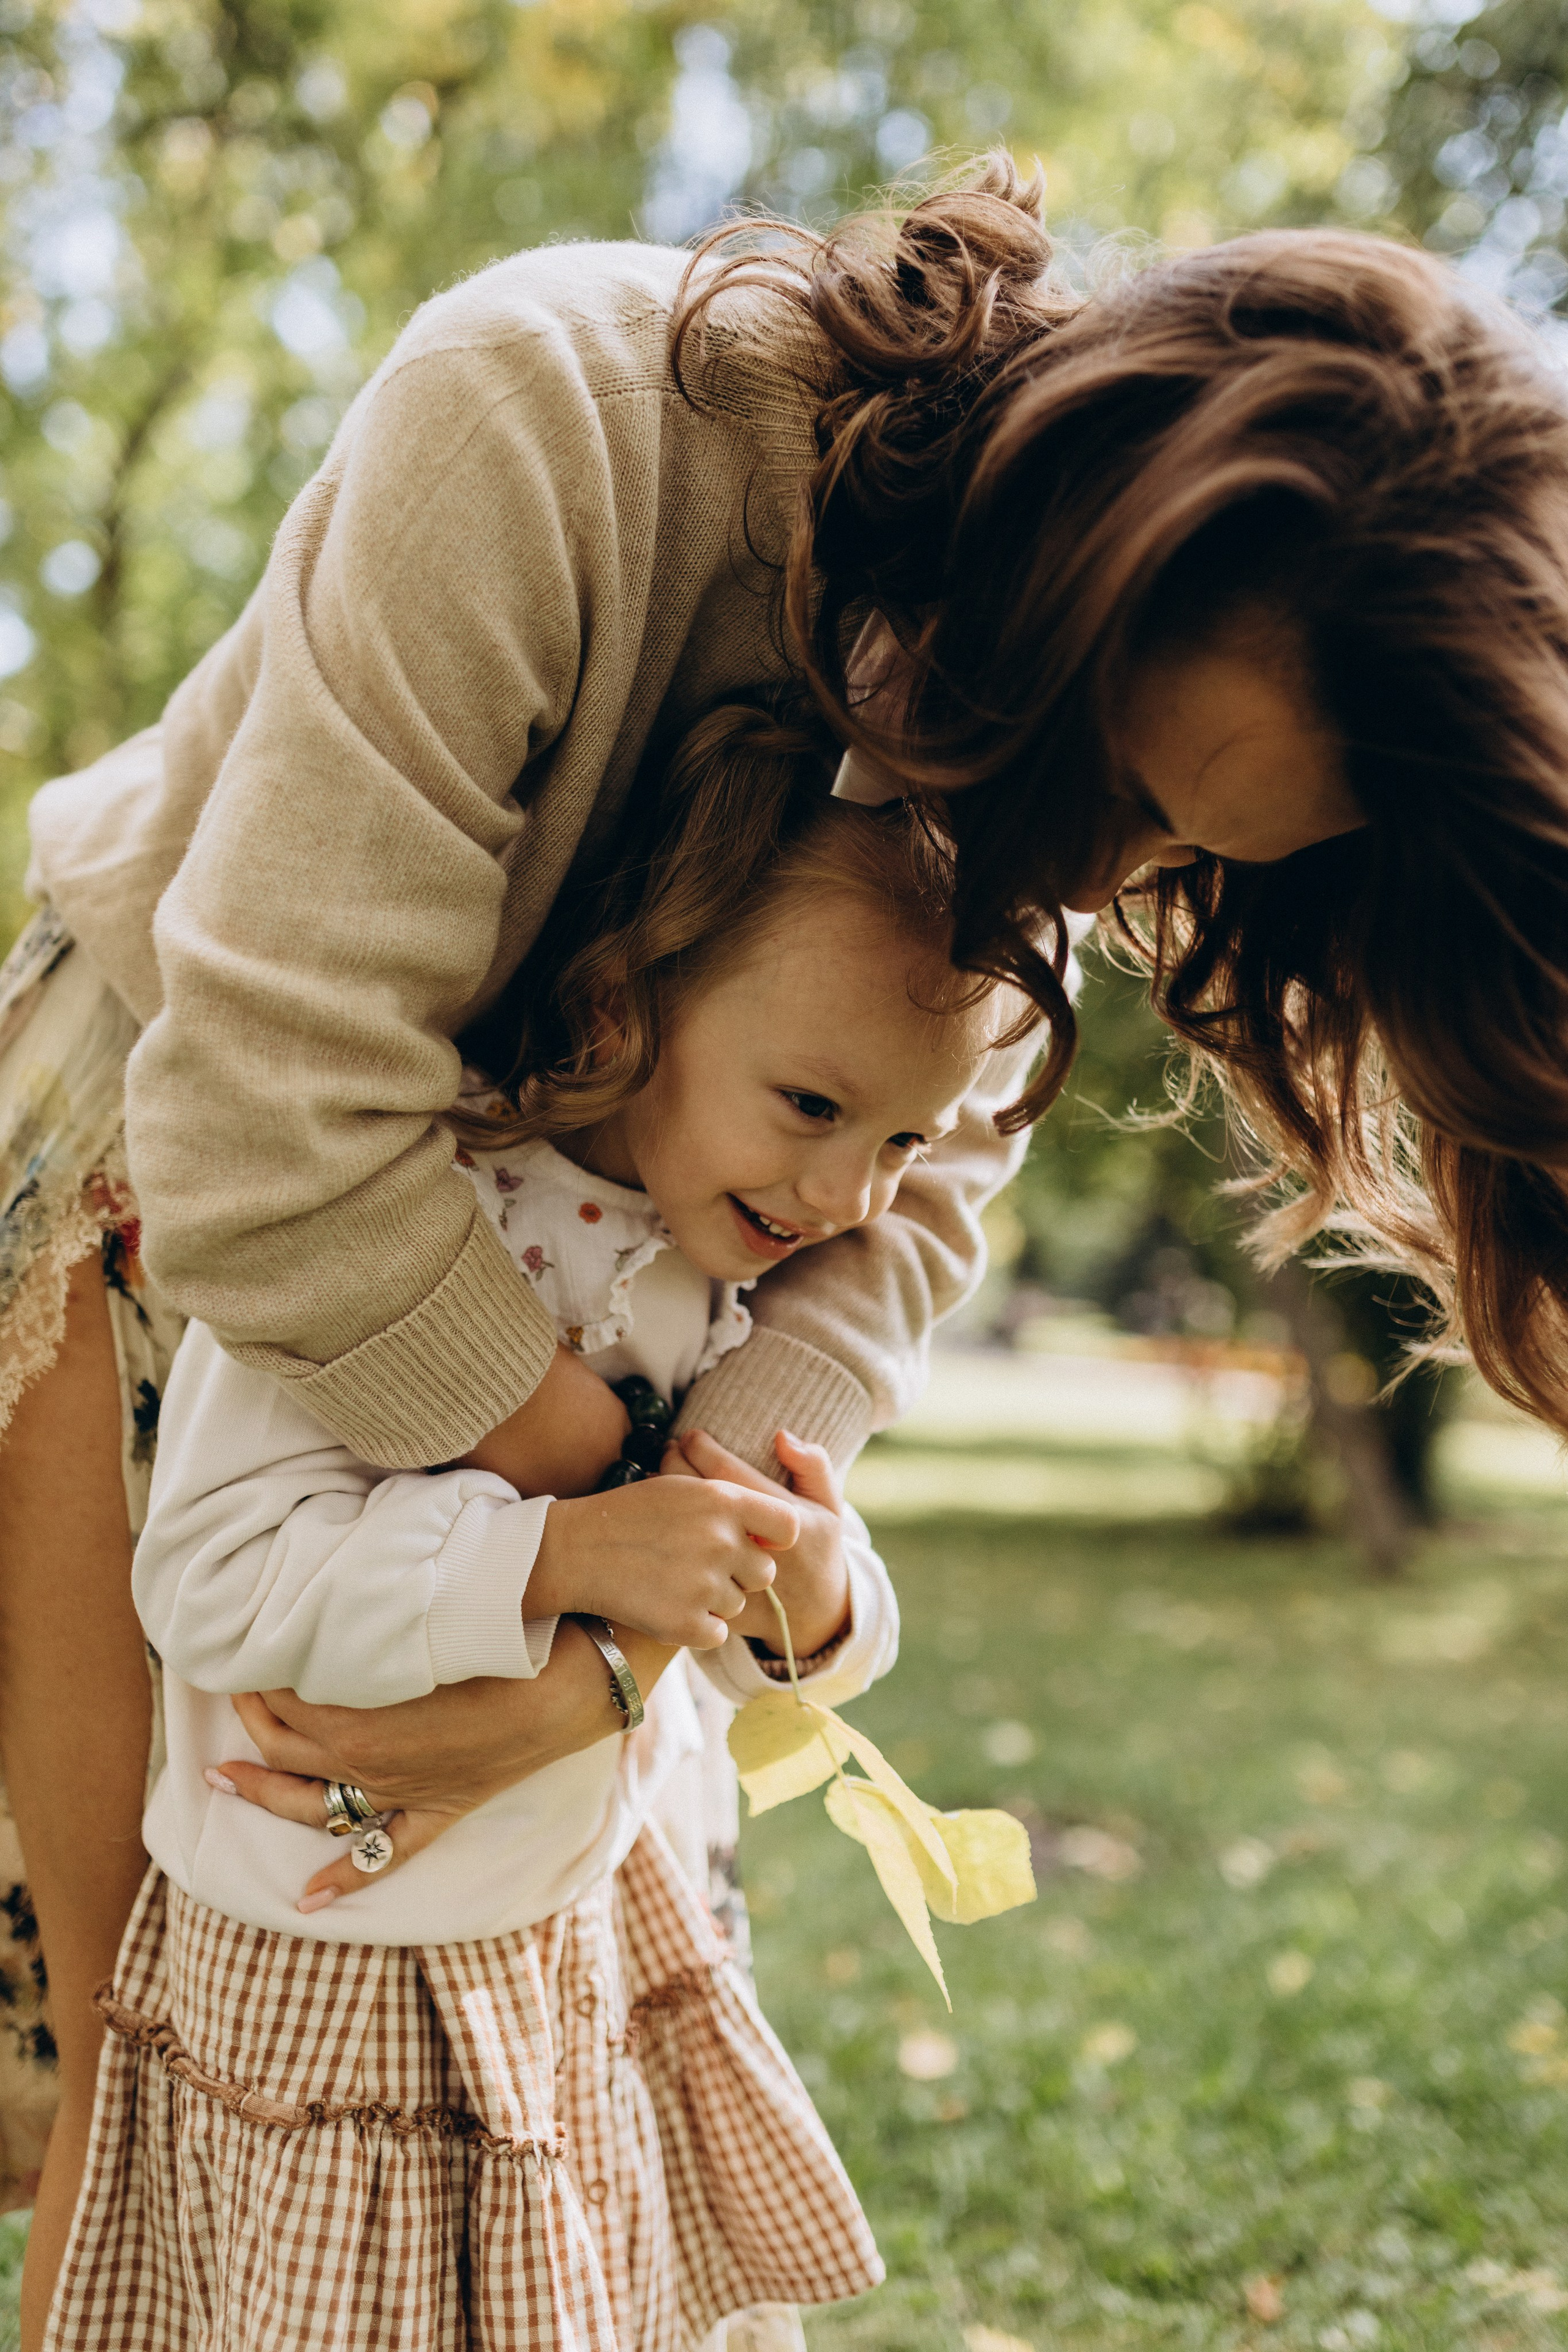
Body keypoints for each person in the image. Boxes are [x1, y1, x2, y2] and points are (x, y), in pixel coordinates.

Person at [3, 148, 1568, 2331]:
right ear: (1089, 534)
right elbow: (275, 1131)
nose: (1093, 874)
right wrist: (612, 1559)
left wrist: (621, 1651)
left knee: (568, 2101)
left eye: (1189, 851)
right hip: (209, 1224)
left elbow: (920, 1199)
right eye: (1133, 786)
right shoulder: (551, 419)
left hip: (618, 1380)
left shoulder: (1060, 757)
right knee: (145, 2075)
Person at [43, 704, 1021, 2350]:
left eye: (907, 1142)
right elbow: (210, 1582)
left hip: (586, 1948)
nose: (854, 1197)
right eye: (811, 1105)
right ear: (628, 1004)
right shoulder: (385, 1240)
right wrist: (557, 1559)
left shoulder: (726, 1279)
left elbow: (743, 1661)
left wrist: (825, 1602)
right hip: (340, 1989)